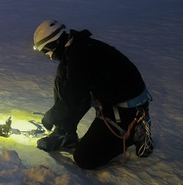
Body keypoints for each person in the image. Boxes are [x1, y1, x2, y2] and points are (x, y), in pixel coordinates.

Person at [33, 20, 153, 169]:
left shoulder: (80, 56)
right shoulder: (78, 47)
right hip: (110, 97)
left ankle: (133, 133)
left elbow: (71, 98)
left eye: (46, 51)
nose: (49, 56)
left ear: (54, 43)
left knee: (84, 158)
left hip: (125, 110)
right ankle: (65, 132)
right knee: (63, 72)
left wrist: (50, 117)